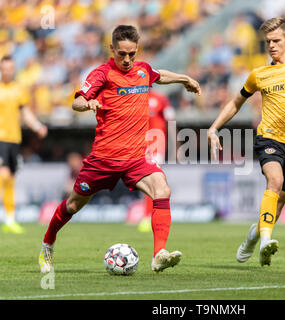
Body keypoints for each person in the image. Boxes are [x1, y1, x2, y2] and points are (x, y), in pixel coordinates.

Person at [38, 25, 201, 273]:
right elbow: (77, 101)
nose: (127, 59)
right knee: (72, 206)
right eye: (122, 53)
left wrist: (185, 79)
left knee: (162, 189)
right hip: (103, 160)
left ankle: (159, 254)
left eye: (132, 54)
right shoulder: (102, 74)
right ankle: (47, 245)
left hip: (136, 158)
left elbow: (159, 75)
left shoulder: (142, 70)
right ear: (112, 48)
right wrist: (88, 103)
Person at [208, 16, 285, 267]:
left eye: (276, 40)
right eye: (267, 42)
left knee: (276, 207)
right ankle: (266, 241)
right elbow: (236, 102)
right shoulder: (259, 74)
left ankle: (254, 236)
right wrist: (213, 128)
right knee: (273, 181)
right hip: (269, 138)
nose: (272, 46)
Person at [0, 55, 47, 234]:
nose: (7, 72)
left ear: (13, 70)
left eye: (10, 69)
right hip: (0, 139)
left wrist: (37, 126)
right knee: (3, 176)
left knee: (11, 180)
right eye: (4, 69)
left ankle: (10, 219)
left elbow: (25, 112)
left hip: (14, 140)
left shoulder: (19, 90)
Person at [138, 89, 176, 233]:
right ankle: (150, 214)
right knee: (143, 181)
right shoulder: (135, 98)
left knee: (151, 180)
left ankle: (149, 216)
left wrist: (175, 145)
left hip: (156, 144)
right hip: (137, 145)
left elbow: (171, 121)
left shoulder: (161, 98)